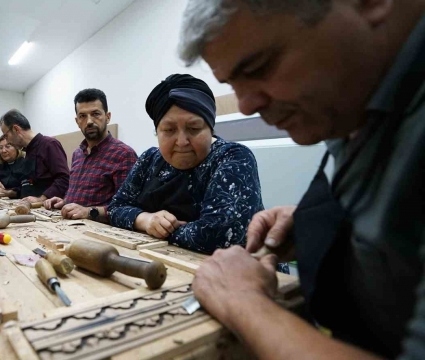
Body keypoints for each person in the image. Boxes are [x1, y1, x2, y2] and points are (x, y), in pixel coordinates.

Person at [179, 0, 425, 358]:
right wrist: (324, 226)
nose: (246, 106)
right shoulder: (350, 105)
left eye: (259, 66)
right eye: (233, 83)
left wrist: (243, 302)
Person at [107, 74, 264, 254]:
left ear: (210, 128)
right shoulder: (149, 159)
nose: (182, 141)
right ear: (157, 131)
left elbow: (218, 235)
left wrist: (162, 231)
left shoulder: (233, 157)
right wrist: (147, 220)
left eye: (194, 129)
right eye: (169, 130)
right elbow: (116, 208)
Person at [44, 89, 137, 222]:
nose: (89, 121)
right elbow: (80, 196)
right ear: (77, 121)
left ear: (108, 116)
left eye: (95, 114)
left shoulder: (124, 154)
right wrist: (64, 201)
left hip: (99, 233)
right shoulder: (77, 154)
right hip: (68, 226)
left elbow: (128, 207)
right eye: (82, 116)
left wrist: (88, 212)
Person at [0, 109, 69, 202]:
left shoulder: (49, 144)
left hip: (45, 210)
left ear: (16, 129)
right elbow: (28, 186)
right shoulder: (28, 152)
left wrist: (41, 199)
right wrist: (8, 193)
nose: (7, 140)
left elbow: (64, 179)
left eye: (6, 136)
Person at [0, 134, 26, 199]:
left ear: (17, 148)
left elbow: (26, 190)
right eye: (0, 148)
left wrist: (6, 192)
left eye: (8, 146)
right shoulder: (2, 165)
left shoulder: (25, 164)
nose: (3, 151)